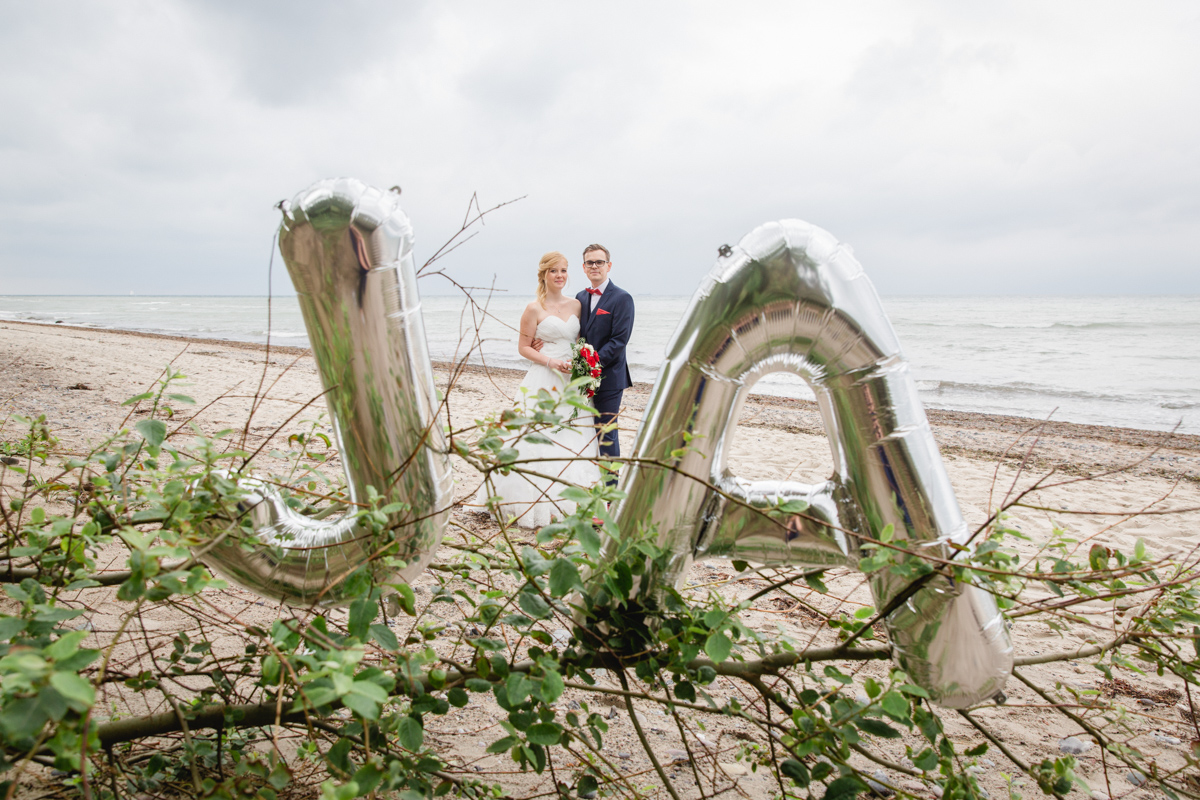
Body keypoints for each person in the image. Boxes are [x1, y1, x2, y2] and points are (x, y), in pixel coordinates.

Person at [477, 252, 600, 528]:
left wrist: (583, 363)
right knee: (538, 434)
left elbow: (580, 340)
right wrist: (549, 360)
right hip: (544, 377)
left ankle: (574, 501)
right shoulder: (534, 308)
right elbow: (522, 347)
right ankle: (537, 503)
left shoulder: (578, 305)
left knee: (574, 434)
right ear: (544, 274)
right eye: (554, 271)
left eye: (564, 270)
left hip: (570, 381)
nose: (560, 275)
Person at [574, 244, 634, 479]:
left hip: (610, 378)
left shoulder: (622, 298)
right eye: (590, 262)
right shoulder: (580, 297)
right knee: (585, 429)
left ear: (609, 266)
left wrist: (592, 364)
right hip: (582, 379)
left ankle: (611, 490)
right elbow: (574, 333)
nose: (595, 266)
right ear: (584, 267)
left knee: (607, 432)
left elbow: (619, 341)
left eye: (599, 262)